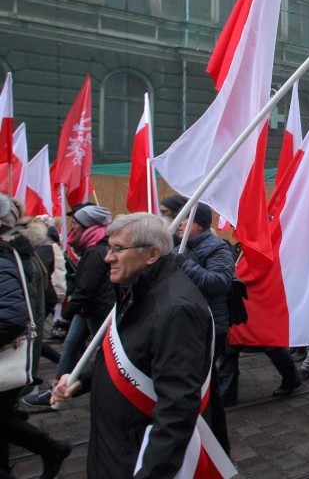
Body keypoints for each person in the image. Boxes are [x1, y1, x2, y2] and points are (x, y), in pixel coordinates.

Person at [51, 213, 231, 478]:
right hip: (119, 443)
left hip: (137, 454)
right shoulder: (135, 289)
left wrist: (151, 472)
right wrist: (86, 379)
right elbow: (133, 353)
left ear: (151, 254)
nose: (108, 257)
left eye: (118, 249)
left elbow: (178, 407)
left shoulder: (176, 309)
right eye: (110, 247)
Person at [0, 196, 72, 479]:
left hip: (9, 356)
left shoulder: (7, 254)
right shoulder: (17, 250)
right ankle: (51, 448)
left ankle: (51, 448)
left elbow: (12, 317)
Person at [24, 205, 114, 409]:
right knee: (71, 348)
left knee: (105, 352)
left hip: (95, 310)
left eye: (76, 223)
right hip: (87, 310)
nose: (72, 227)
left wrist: (65, 316)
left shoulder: (95, 251)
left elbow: (86, 288)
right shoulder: (94, 247)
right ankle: (56, 393)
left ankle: (108, 389)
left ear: (87, 226)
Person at [173, 200, 234, 452]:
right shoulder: (177, 246)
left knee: (205, 385)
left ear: (198, 223)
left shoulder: (217, 247)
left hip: (208, 325)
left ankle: (211, 443)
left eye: (184, 218)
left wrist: (183, 264)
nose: (179, 223)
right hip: (184, 323)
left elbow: (220, 282)